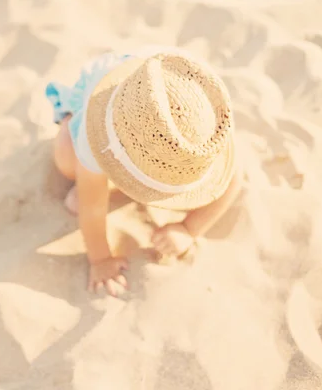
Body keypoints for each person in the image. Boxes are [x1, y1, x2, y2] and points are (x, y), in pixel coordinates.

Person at [45, 46, 242, 296]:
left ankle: (115, 180)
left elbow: (232, 181)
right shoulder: (98, 138)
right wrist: (101, 260)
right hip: (119, 99)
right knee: (68, 160)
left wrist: (189, 229)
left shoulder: (204, 126)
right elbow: (91, 209)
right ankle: (96, 178)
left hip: (152, 102)